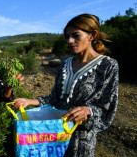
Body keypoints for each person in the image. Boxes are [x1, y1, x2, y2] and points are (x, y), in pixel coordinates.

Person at [14, 13, 119, 156]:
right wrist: (29, 101)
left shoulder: (108, 66)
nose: (70, 41)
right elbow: (55, 98)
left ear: (92, 35)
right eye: (67, 37)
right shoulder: (64, 64)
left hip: (81, 141)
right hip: (54, 137)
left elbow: (108, 107)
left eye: (75, 36)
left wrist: (88, 111)